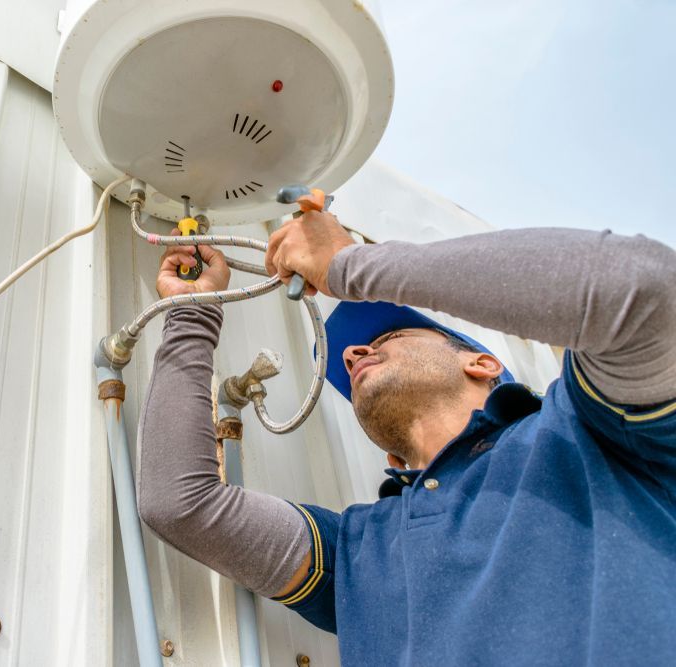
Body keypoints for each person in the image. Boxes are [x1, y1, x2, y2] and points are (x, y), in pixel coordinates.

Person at [136, 210, 676, 665]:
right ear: (389, 454)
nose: (352, 355)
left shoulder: (595, 433)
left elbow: (645, 289)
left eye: (389, 335)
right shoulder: (354, 552)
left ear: (482, 363)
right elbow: (181, 504)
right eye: (349, 364)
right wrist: (190, 315)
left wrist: (351, 266)